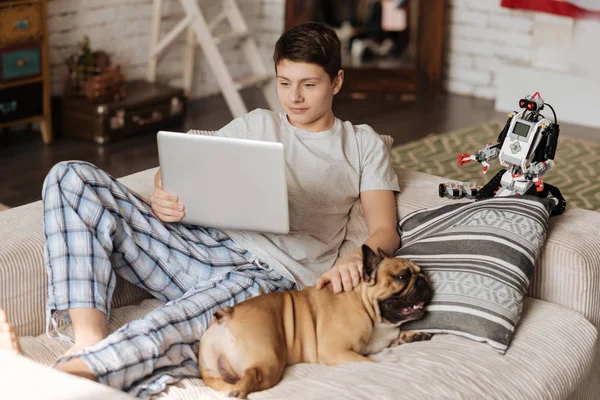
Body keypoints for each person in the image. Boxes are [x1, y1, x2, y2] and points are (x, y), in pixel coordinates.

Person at [0, 22, 400, 397]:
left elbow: (385, 230)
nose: (294, 97)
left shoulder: (363, 145)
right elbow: (181, 167)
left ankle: (58, 382)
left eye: (309, 85)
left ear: (337, 81)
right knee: (70, 176)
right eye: (284, 83)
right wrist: (162, 192)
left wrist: (353, 258)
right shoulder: (257, 124)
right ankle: (89, 337)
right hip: (199, 248)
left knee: (164, 327)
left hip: (267, 279)